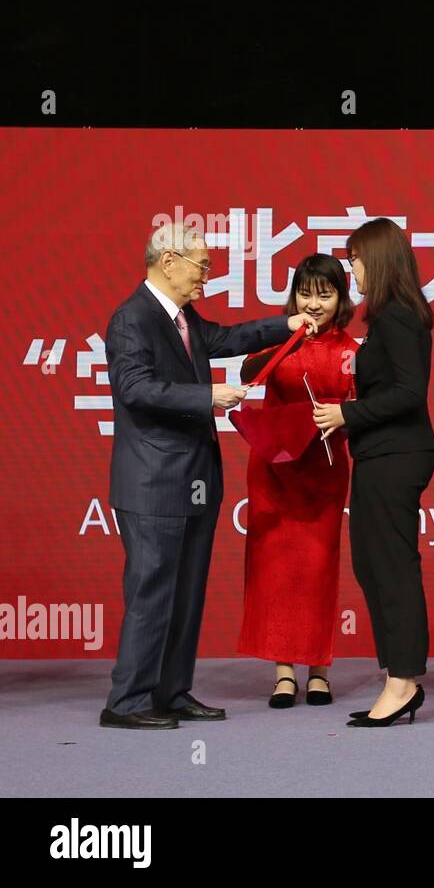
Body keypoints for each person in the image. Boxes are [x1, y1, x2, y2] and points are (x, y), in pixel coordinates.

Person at [101, 222, 316, 730]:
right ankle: (127, 701)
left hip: (194, 477)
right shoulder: (132, 319)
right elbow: (134, 388)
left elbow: (225, 338)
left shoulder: (181, 316)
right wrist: (207, 396)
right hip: (153, 480)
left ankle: (172, 692)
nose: (207, 275)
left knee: (187, 592)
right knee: (152, 590)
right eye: (202, 265)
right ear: (168, 260)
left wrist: (287, 324)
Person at [312, 218, 434, 728]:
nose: (352, 270)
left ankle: (403, 680)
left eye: (356, 259)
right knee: (372, 564)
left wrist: (349, 414)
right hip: (379, 453)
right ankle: (399, 675)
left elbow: (409, 392)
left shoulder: (399, 319)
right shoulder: (387, 318)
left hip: (397, 456)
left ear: (378, 260)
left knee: (391, 568)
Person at [237, 253, 360, 708]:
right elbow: (250, 374)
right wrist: (281, 341)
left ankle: (319, 671)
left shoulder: (351, 351)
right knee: (277, 569)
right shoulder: (282, 339)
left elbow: (359, 405)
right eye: (305, 294)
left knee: (317, 566)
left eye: (324, 295)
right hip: (274, 469)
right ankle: (283, 672)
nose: (313, 304)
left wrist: (340, 417)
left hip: (323, 469)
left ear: (340, 299)